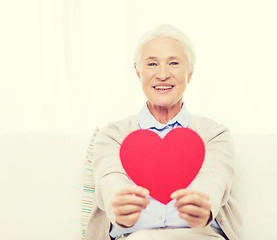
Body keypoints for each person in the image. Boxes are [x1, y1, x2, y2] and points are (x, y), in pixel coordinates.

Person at [86, 24, 241, 240]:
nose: (162, 74)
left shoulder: (215, 134)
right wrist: (119, 206)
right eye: (151, 64)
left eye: (174, 63)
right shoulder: (112, 135)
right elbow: (110, 182)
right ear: (138, 71)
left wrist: (203, 206)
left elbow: (214, 181)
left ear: (190, 73)